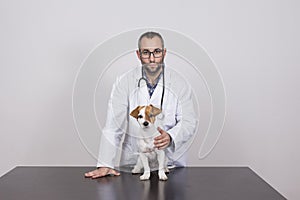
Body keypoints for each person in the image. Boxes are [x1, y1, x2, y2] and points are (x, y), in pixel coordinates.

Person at [85, 31, 197, 179]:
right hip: (135, 163)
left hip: (171, 165)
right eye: (146, 52)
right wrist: (105, 164)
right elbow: (113, 126)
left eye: (156, 52)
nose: (152, 58)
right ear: (138, 55)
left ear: (164, 53)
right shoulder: (123, 82)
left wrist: (170, 136)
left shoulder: (180, 83)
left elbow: (189, 121)